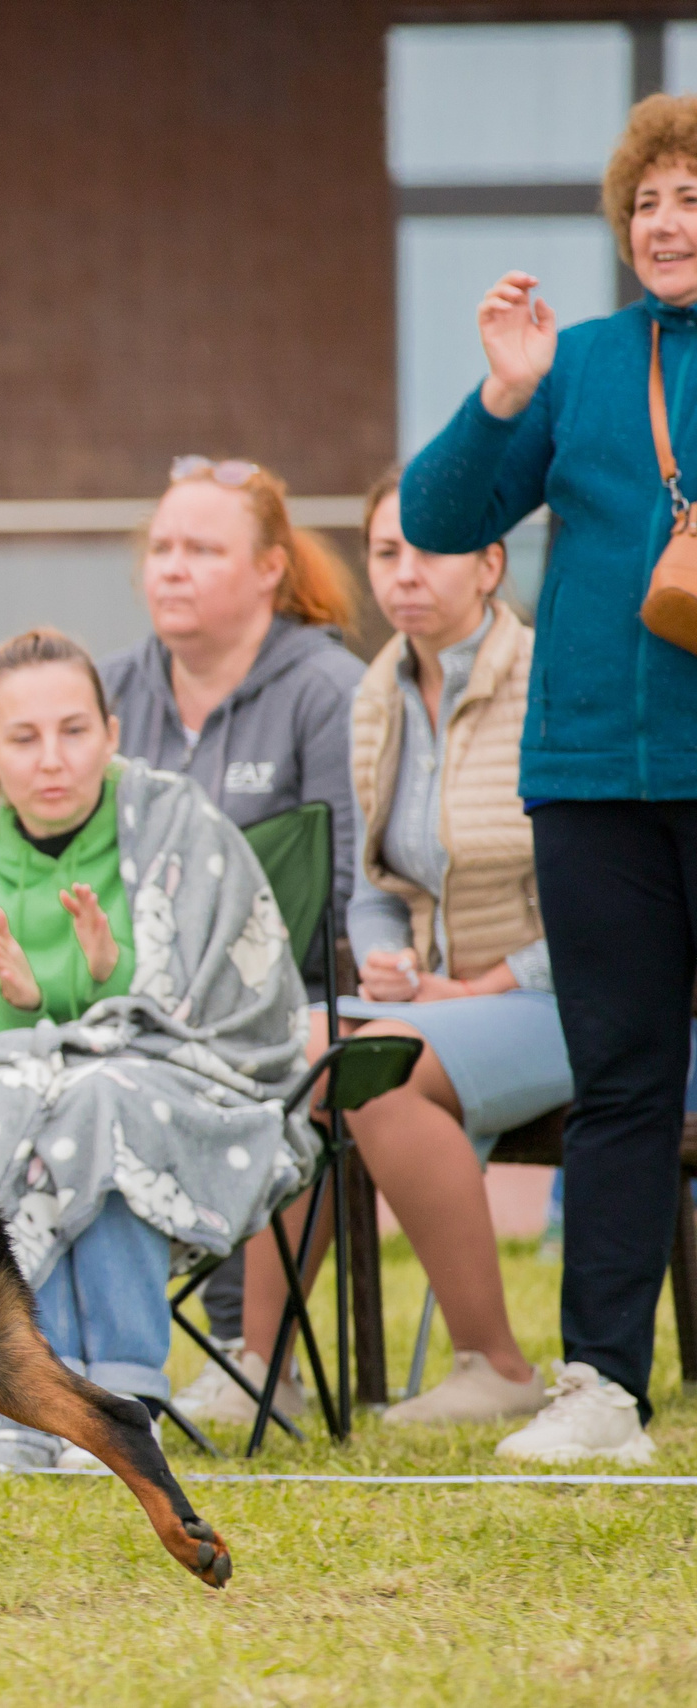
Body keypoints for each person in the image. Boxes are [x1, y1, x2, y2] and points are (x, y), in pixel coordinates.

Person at [400, 92, 697, 1463]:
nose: (667, 220)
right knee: (624, 1083)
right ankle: (602, 1390)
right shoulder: (578, 364)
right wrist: (501, 393)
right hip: (591, 778)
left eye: (692, 196)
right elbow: (442, 519)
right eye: (649, 201)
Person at [197, 477, 570, 1432]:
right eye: (385, 552)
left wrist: (480, 983)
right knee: (306, 1055)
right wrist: (387, 960)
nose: (404, 573)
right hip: (437, 1003)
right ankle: (261, 1366)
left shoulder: (556, 677)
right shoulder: (377, 693)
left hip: (568, 995)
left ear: (492, 564)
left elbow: (606, 891)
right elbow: (374, 889)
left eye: (430, 549)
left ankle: (495, 1364)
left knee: (378, 1071)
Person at [0, 631, 310, 1470]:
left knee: (101, 1099)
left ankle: (120, 1397)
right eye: (23, 739)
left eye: (74, 730)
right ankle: (20, 1403)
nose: (51, 759)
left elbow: (224, 1007)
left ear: (112, 731)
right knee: (22, 1103)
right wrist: (22, 1009)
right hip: (28, 1102)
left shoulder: (178, 827)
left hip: (188, 1088)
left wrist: (106, 982)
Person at [102, 455, 367, 1392]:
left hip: (287, 995)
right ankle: (65, 1360)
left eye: (203, 549)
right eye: (162, 548)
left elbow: (344, 882)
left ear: (268, 569)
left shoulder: (327, 691)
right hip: (121, 998)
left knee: (263, 1062)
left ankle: (252, 1354)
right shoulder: (109, 693)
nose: (172, 567)